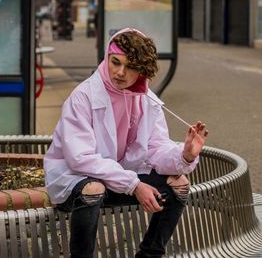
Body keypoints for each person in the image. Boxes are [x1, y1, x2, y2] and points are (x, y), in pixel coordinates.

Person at [44, 28, 208, 258]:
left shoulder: (147, 101)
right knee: (93, 188)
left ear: (142, 71)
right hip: (75, 180)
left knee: (179, 184)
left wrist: (185, 156)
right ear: (107, 58)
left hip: (117, 180)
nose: (120, 72)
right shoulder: (83, 96)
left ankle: (150, 254)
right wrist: (134, 185)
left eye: (130, 66)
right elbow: (80, 158)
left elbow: (155, 149)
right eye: (115, 62)